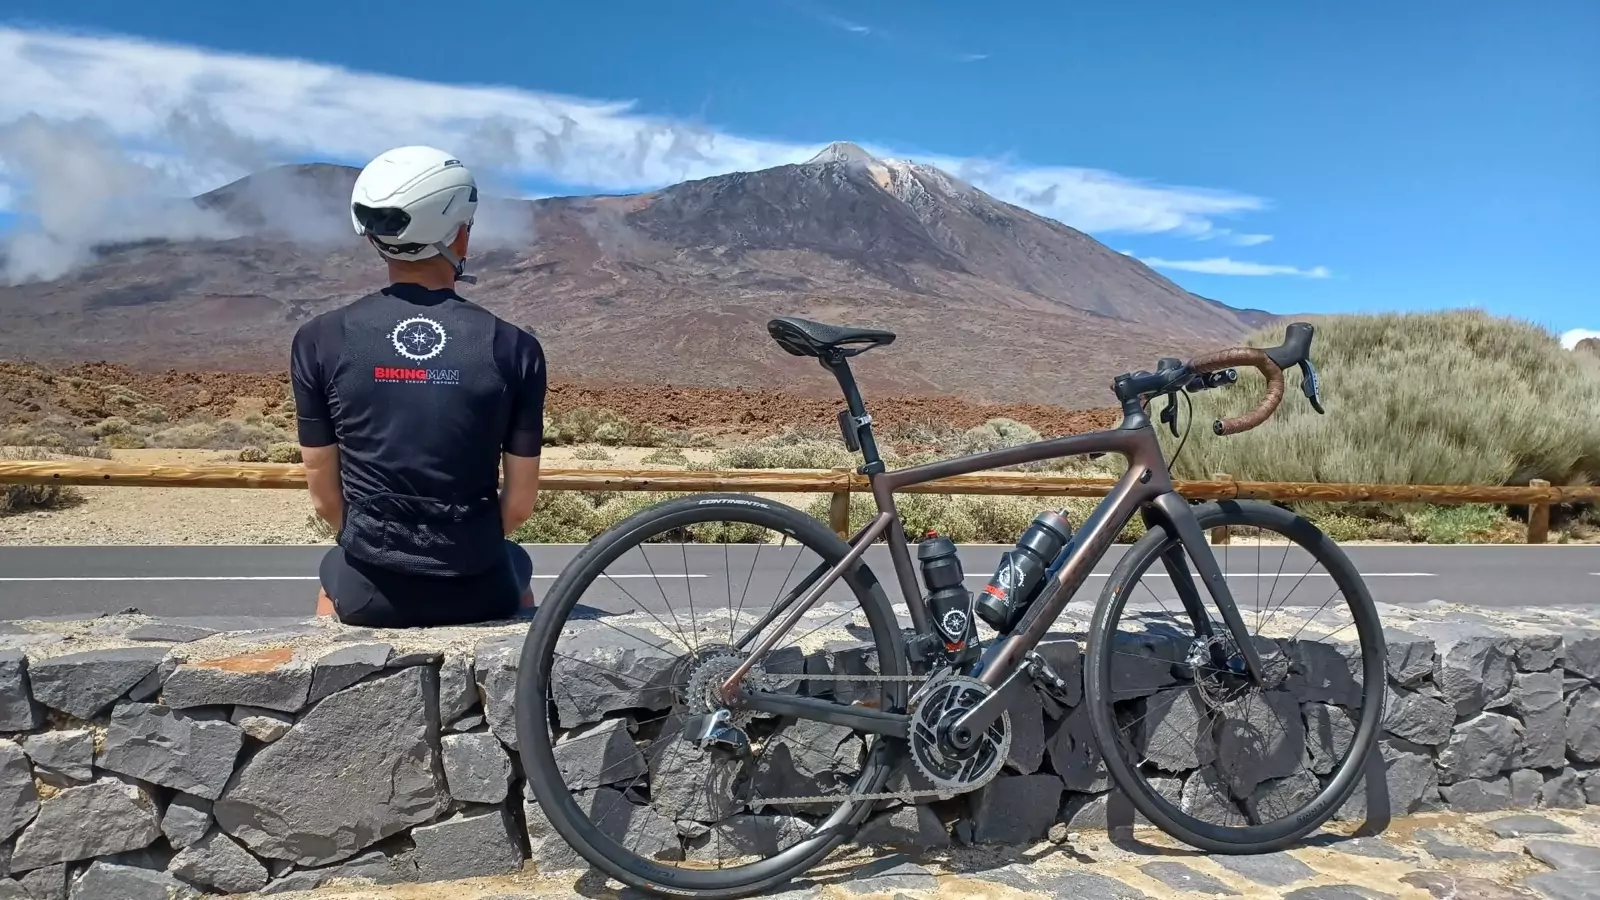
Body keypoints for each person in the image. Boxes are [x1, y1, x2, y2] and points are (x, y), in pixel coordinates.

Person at [289, 146, 546, 628]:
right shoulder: (516, 347)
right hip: (480, 588)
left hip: (370, 590)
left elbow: (325, 501)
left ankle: (328, 664)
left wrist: (375, 546)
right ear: (461, 235)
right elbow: (518, 505)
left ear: (372, 236)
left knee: (333, 577)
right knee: (516, 566)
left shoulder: (319, 339)